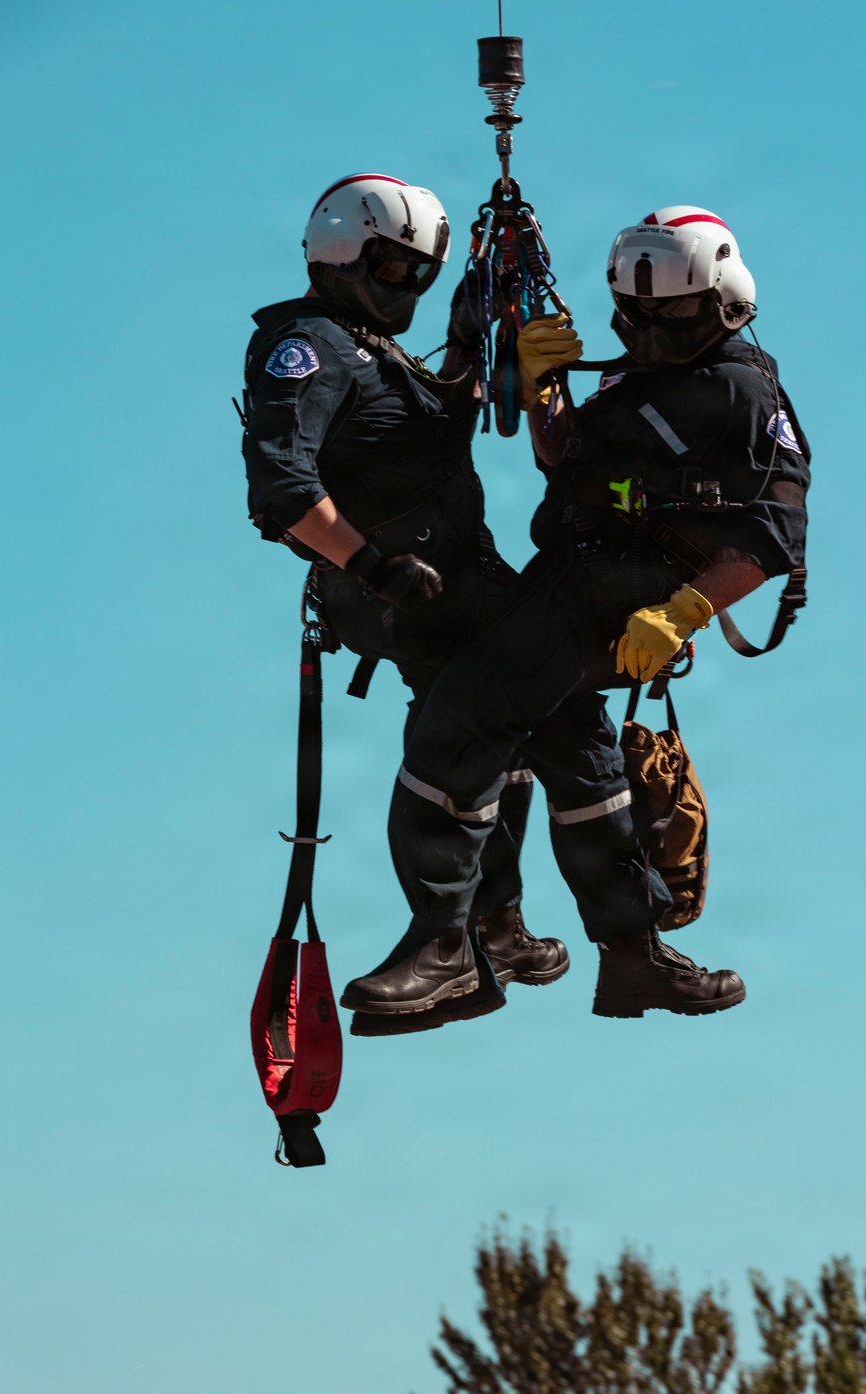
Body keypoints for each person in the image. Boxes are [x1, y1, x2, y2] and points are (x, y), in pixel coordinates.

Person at [342, 205, 811, 1021]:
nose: (658, 334)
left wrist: (685, 610)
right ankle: (632, 955)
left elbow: (779, 533)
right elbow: (567, 458)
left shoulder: (741, 389)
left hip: (623, 599)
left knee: (460, 715)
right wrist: (543, 387)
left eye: (677, 317)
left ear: (727, 298)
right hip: (571, 580)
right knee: (574, 748)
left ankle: (445, 948)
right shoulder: (635, 376)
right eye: (641, 319)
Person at [240, 173, 569, 1021]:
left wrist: (470, 339)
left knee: (512, 732)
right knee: (469, 735)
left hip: (460, 581)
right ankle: (448, 942)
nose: (407, 289)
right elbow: (281, 491)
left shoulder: (371, 348)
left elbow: (426, 432)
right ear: (342, 251)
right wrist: (373, 566)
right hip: (403, 594)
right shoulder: (308, 347)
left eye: (421, 274)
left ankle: (494, 924)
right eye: (394, 270)